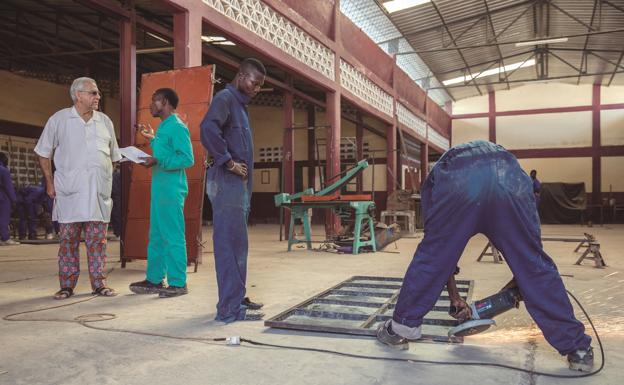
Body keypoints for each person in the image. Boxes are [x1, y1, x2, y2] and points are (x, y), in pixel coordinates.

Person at [376, 140, 594, 372]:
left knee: (431, 257)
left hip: (459, 182)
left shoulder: (440, 171)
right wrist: (518, 285)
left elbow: (438, 255)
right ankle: (577, 349)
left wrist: (454, 295)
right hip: (508, 177)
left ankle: (401, 330)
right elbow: (529, 258)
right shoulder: (515, 171)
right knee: (533, 264)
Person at [35, 77, 121, 300]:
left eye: (97, 93)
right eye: (93, 93)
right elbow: (43, 152)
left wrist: (103, 179)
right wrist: (50, 182)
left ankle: (99, 284)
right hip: (70, 194)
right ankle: (66, 285)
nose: (98, 97)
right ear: (78, 95)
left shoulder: (105, 121)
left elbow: (113, 158)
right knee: (68, 242)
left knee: (98, 242)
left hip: (97, 195)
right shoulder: (60, 120)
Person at [200, 58, 266, 322]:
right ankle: (228, 309)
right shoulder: (225, 99)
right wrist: (227, 161)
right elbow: (207, 129)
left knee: (239, 245)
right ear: (241, 76)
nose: (256, 88)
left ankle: (236, 299)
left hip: (238, 189)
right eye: (254, 82)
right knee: (229, 245)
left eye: (260, 85)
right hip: (227, 184)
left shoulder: (240, 105)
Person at [129, 88, 194, 298]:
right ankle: (155, 279)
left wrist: (158, 161)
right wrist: (152, 139)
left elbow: (187, 158)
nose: (150, 104)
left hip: (171, 190)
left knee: (173, 236)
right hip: (160, 190)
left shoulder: (177, 127)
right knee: (156, 236)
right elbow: (166, 151)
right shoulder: (164, 127)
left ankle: (178, 282)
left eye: (154, 100)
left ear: (164, 102)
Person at [0, 152, 19, 246]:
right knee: (3, 218)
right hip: (3, 197)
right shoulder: (4, 170)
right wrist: (14, 200)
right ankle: (5, 238)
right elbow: (9, 187)